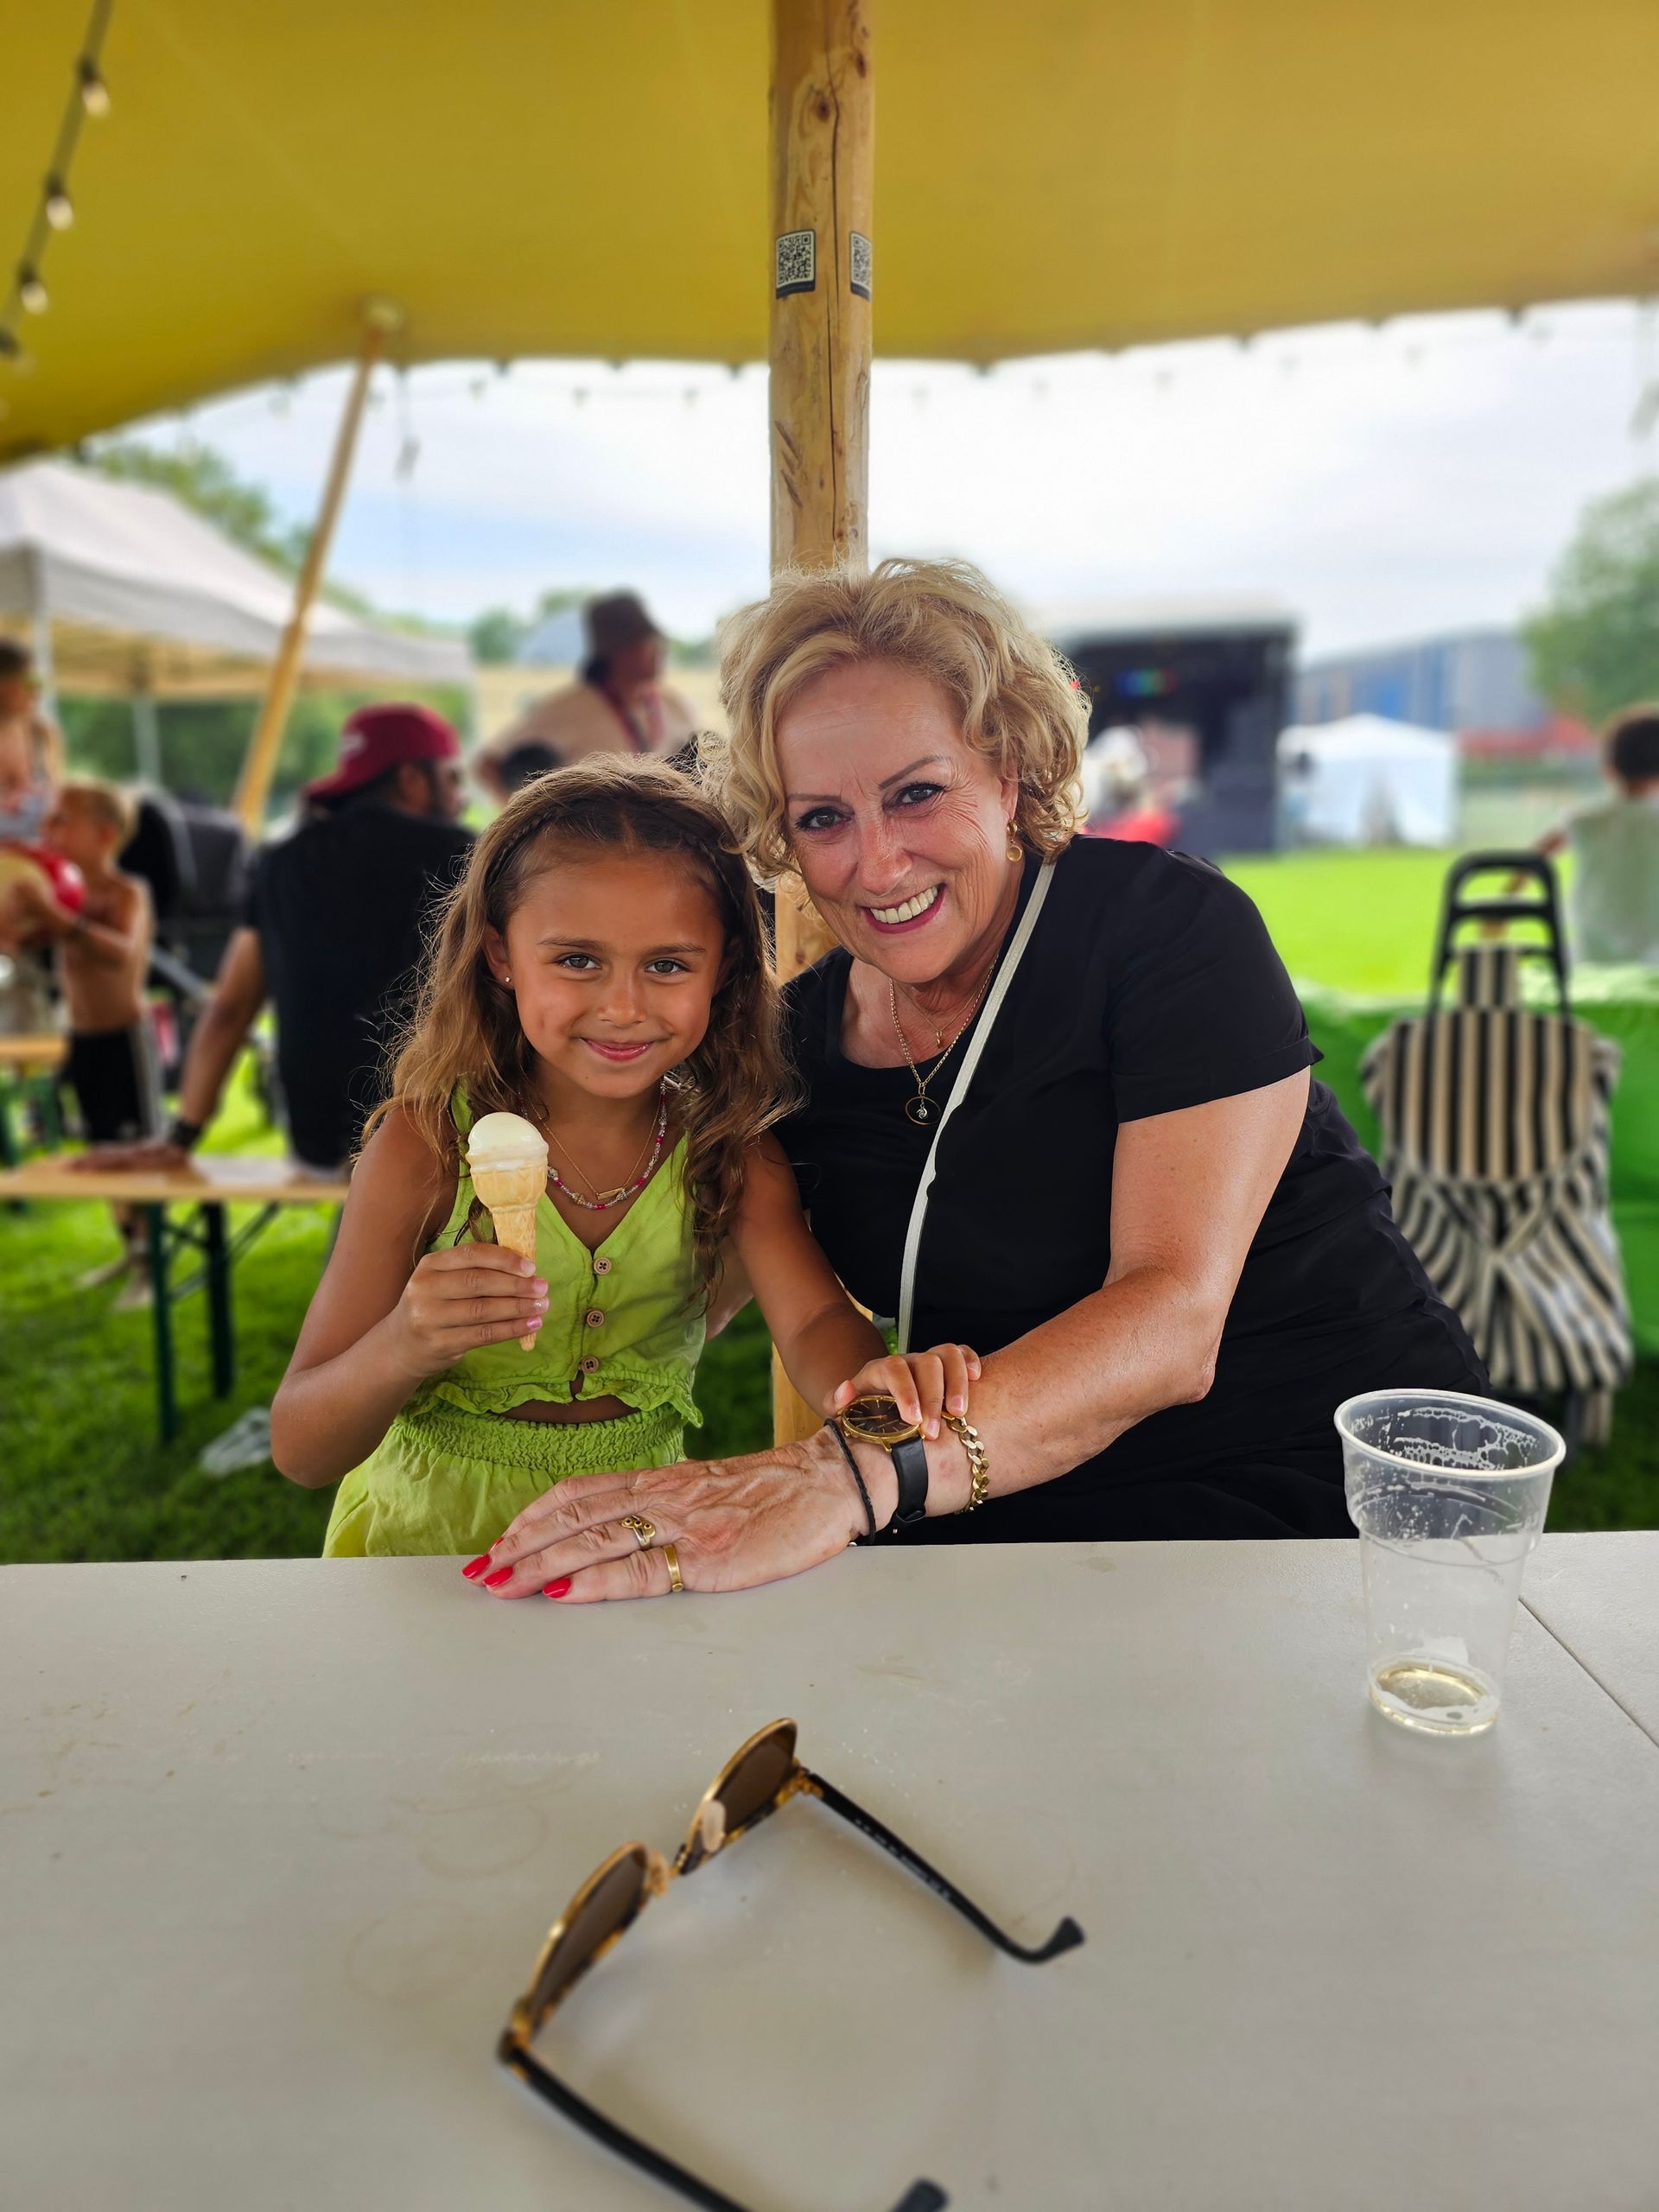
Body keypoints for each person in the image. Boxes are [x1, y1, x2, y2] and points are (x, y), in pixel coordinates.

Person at [470, 556, 1487, 1606]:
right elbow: (731, 1287)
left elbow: (1175, 1320)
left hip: (1333, 1487)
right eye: (823, 818)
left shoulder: (1163, 931)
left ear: (1008, 771)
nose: (877, 863)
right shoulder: (797, 1046)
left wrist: (846, 1475)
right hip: (1019, 1490)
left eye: (917, 794)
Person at [269, 758, 974, 1558]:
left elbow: (812, 1321)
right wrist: (404, 1342)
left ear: (726, 970)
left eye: (668, 965)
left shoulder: (729, 1155)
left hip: (635, 1535)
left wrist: (868, 1389)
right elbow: (301, 1447)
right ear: (501, 956)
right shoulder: (425, 1148)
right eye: (577, 960)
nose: (622, 1007)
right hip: (423, 1551)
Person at [82, 702, 473, 1178]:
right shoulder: (464, 854)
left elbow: (229, 1006)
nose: (460, 796)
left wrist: (182, 1134)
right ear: (412, 779)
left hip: (318, 1144)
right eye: (452, 778)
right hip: (439, 1138)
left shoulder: (279, 859)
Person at [3, 779, 159, 1300]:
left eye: (61, 820)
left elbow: (119, 951)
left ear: (104, 834)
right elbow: (20, 942)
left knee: (136, 1150)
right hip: (84, 1039)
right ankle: (129, 1250)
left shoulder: (126, 893)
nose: (48, 831)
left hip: (125, 1040)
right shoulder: (59, 893)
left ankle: (150, 1260)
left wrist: (55, 918)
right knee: (100, 1149)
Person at [472, 592, 699, 803]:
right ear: (617, 649)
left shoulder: (674, 705)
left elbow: (702, 761)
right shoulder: (568, 710)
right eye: (646, 641)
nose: (658, 651)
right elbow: (488, 765)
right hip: (594, 841)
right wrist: (525, 826)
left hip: (662, 839)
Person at [1536, 705, 1659, 965]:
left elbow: (1537, 855)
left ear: (1610, 766)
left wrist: (1505, 901)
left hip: (1593, 953)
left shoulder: (1585, 820)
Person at [0, 639, 65, 842]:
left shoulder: (43, 735)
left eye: (40, 682)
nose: (38, 692)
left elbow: (58, 805)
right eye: (31, 682)